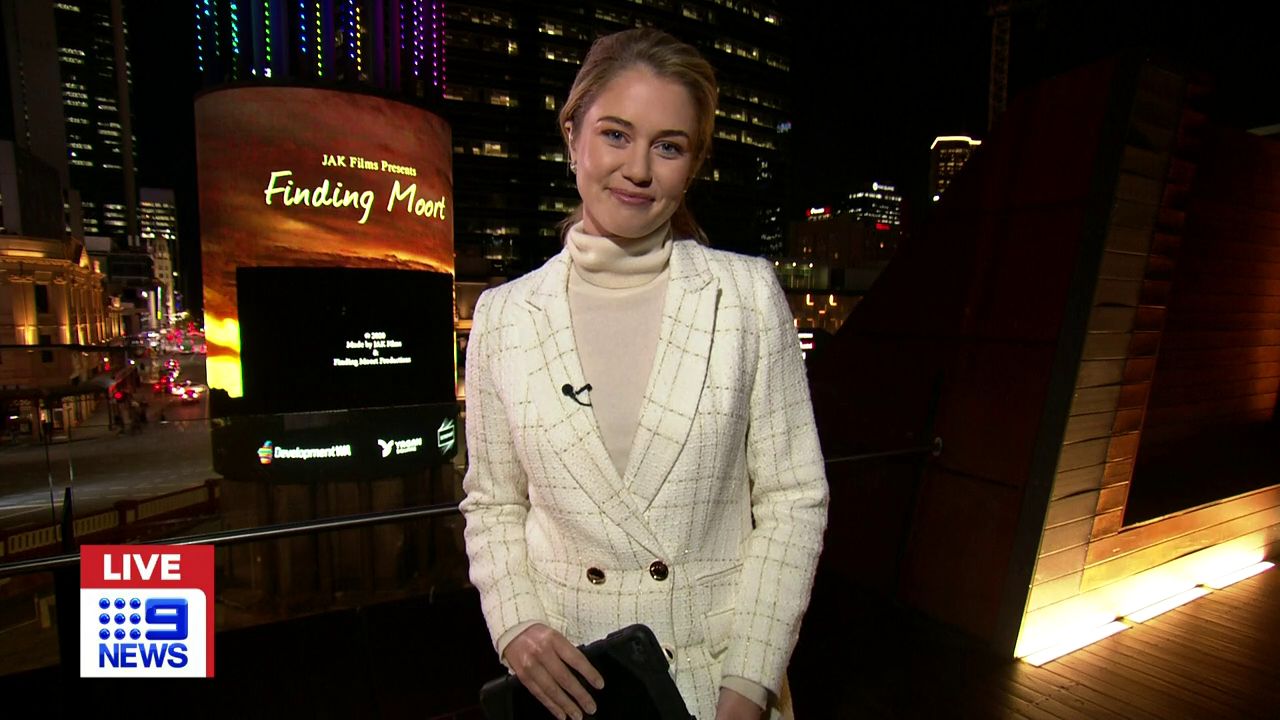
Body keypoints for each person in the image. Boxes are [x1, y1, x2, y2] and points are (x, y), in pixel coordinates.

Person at [460, 28, 828, 720]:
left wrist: (748, 686)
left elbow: (793, 499)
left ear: (693, 165)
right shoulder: (504, 317)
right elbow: (493, 503)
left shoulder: (746, 296)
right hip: (574, 687)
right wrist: (515, 627)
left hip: (721, 683)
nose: (637, 169)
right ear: (573, 136)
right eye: (615, 135)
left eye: (668, 146)